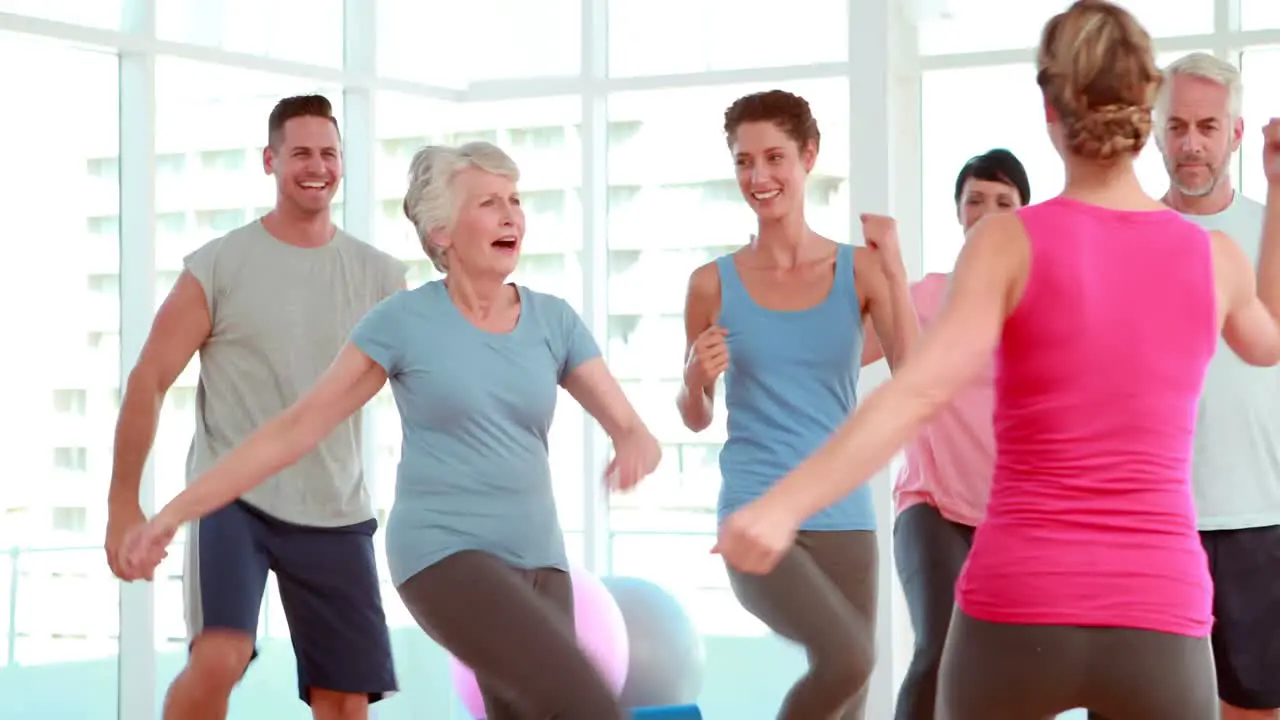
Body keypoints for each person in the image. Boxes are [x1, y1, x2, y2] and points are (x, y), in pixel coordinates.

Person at [714, 1, 1280, 717]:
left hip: (1019, 608)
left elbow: (916, 392)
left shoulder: (1006, 242)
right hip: (1158, 618)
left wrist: (785, 503)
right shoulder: (1214, 257)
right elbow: (1269, 342)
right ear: (1148, 103)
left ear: (1048, 104)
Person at [121, 140, 661, 720]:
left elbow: (635, 430)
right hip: (444, 555)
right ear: (440, 233)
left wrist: (632, 444)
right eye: (488, 202)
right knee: (584, 700)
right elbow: (294, 430)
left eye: (514, 199)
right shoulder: (403, 322)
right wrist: (174, 513)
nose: (511, 215)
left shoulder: (554, 320)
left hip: (541, 560)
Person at [103, 94, 406, 720]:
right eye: (300, 153)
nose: (316, 166)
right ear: (270, 161)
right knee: (220, 657)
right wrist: (122, 503)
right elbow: (149, 379)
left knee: (345, 701)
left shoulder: (380, 278)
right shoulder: (219, 265)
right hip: (230, 501)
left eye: (328, 153)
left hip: (335, 504)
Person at [677, 89, 917, 720]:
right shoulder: (711, 284)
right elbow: (696, 415)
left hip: (845, 516)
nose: (758, 177)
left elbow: (915, 377)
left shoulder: (860, 271)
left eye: (774, 157)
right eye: (743, 161)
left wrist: (893, 269)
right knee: (850, 659)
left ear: (808, 155)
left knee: (850, 699)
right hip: (755, 510)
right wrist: (696, 380)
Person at [859, 148, 1030, 720]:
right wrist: (882, 275)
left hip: (1013, 514)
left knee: (1023, 666)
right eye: (975, 200)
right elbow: (852, 353)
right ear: (958, 213)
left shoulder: (1040, 305)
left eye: (1003, 203)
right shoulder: (926, 297)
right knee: (940, 645)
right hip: (930, 503)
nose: (986, 212)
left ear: (1024, 216)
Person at [1156, 51, 1280, 720]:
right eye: (1175, 126)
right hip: (1151, 520)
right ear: (1154, 131)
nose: (1191, 143)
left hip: (1259, 515)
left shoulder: (1272, 228)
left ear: (1235, 133)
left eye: (1207, 126)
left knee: (1253, 710)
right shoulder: (1130, 234)